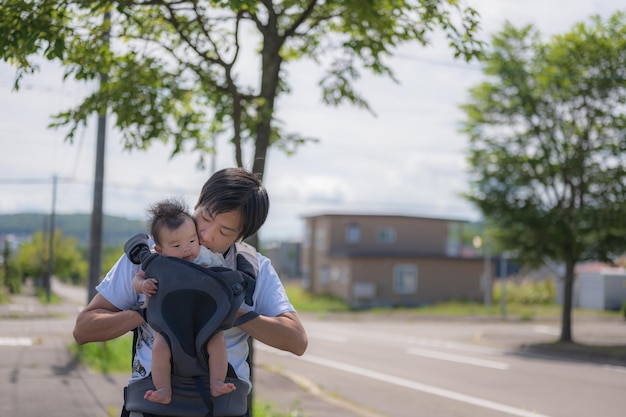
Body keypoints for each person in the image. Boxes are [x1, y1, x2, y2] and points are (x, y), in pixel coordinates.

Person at [73, 167, 308, 417]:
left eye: (225, 231)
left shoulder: (253, 269)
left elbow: (297, 341)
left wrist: (229, 309)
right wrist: (147, 312)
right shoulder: (149, 258)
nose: (206, 235)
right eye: (205, 218)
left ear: (241, 236)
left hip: (223, 408)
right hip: (152, 407)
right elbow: (83, 329)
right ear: (198, 200)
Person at [131, 197, 233, 404]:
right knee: (160, 347)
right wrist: (143, 285)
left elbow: (223, 279)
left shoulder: (206, 258)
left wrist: (209, 275)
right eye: (176, 245)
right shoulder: (157, 262)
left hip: (203, 322)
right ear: (159, 249)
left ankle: (216, 382)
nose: (186, 248)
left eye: (192, 241)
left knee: (217, 341)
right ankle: (163, 389)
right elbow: (138, 278)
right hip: (170, 324)